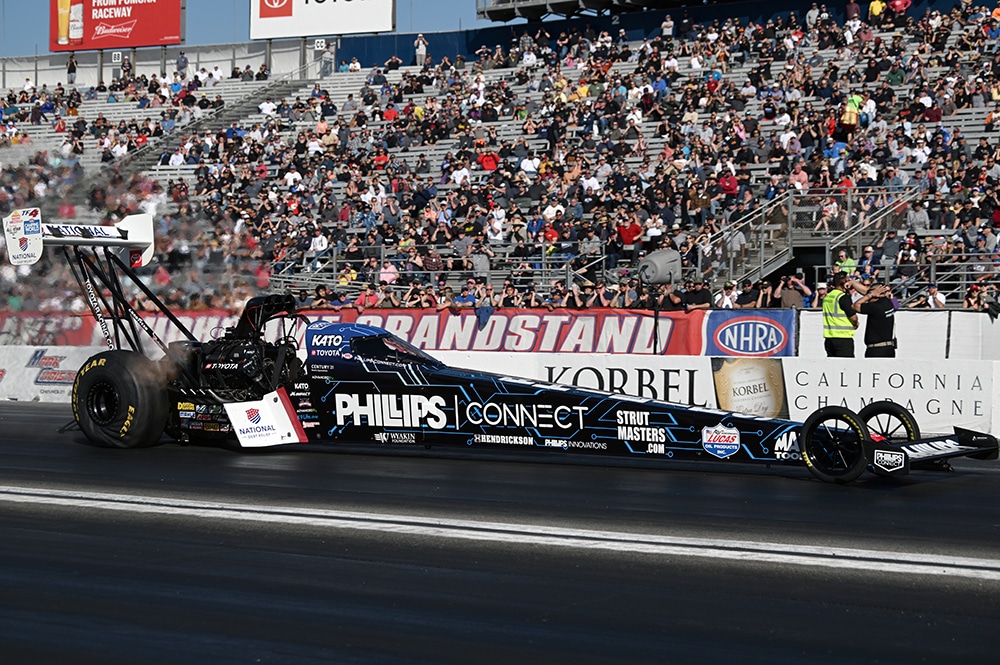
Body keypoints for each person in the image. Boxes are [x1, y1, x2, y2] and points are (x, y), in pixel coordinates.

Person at [822, 273, 859, 357]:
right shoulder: (842, 297)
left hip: (829, 337)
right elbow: (853, 317)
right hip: (843, 337)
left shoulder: (827, 297)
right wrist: (856, 323)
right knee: (846, 367)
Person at [855, 283, 897, 357]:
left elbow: (855, 306)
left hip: (876, 350)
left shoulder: (875, 307)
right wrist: (853, 283)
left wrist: (870, 295)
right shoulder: (889, 302)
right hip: (889, 348)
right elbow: (896, 305)